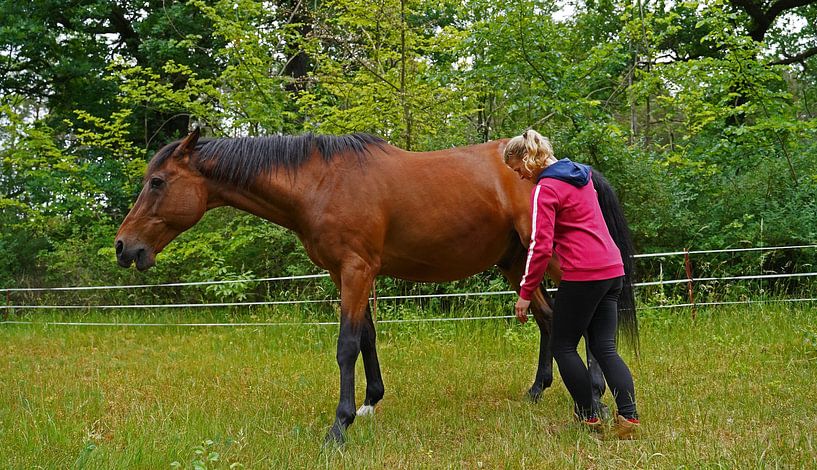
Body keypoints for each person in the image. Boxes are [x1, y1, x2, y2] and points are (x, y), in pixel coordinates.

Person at [503, 129, 640, 439]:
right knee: (605, 348)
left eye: (517, 170)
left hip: (583, 274)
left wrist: (526, 294)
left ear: (527, 159)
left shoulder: (547, 188)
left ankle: (589, 418)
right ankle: (628, 418)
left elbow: (540, 246)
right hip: (612, 269)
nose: (521, 177)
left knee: (563, 346)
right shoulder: (583, 175)